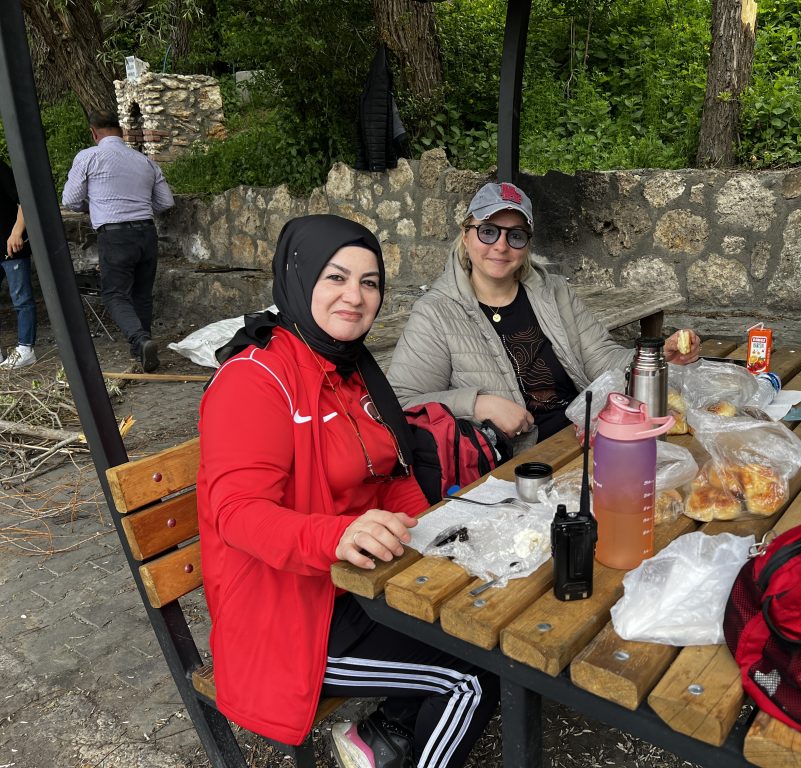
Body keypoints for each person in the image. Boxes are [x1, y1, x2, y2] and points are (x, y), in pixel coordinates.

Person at [197, 214, 498, 768]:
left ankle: (386, 733)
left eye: (369, 282)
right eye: (335, 277)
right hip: (291, 618)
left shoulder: (350, 368)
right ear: (299, 276)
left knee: (485, 615)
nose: (355, 297)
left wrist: (434, 538)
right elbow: (236, 514)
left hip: (359, 584)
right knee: (473, 676)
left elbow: (393, 475)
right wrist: (337, 536)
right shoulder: (255, 378)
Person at [388, 181, 701, 452]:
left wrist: (655, 360)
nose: (501, 246)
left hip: (582, 440)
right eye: (488, 232)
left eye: (515, 236)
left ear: (526, 244)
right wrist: (478, 404)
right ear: (466, 236)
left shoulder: (553, 292)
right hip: (512, 464)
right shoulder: (436, 312)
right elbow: (401, 403)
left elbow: (602, 360)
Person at [61, 110, 174, 372]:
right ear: (121, 131)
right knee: (142, 294)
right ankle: (141, 351)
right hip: (146, 232)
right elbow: (166, 202)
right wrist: (137, 207)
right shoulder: (144, 161)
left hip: (115, 235)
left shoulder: (88, 157)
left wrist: (93, 206)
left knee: (114, 294)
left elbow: (70, 200)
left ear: (93, 132)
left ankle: (140, 340)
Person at [0, 160, 36, 369]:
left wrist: (16, 233)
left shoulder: (1, 169)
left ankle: (26, 349)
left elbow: (25, 201)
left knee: (21, 298)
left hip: (11, 246)